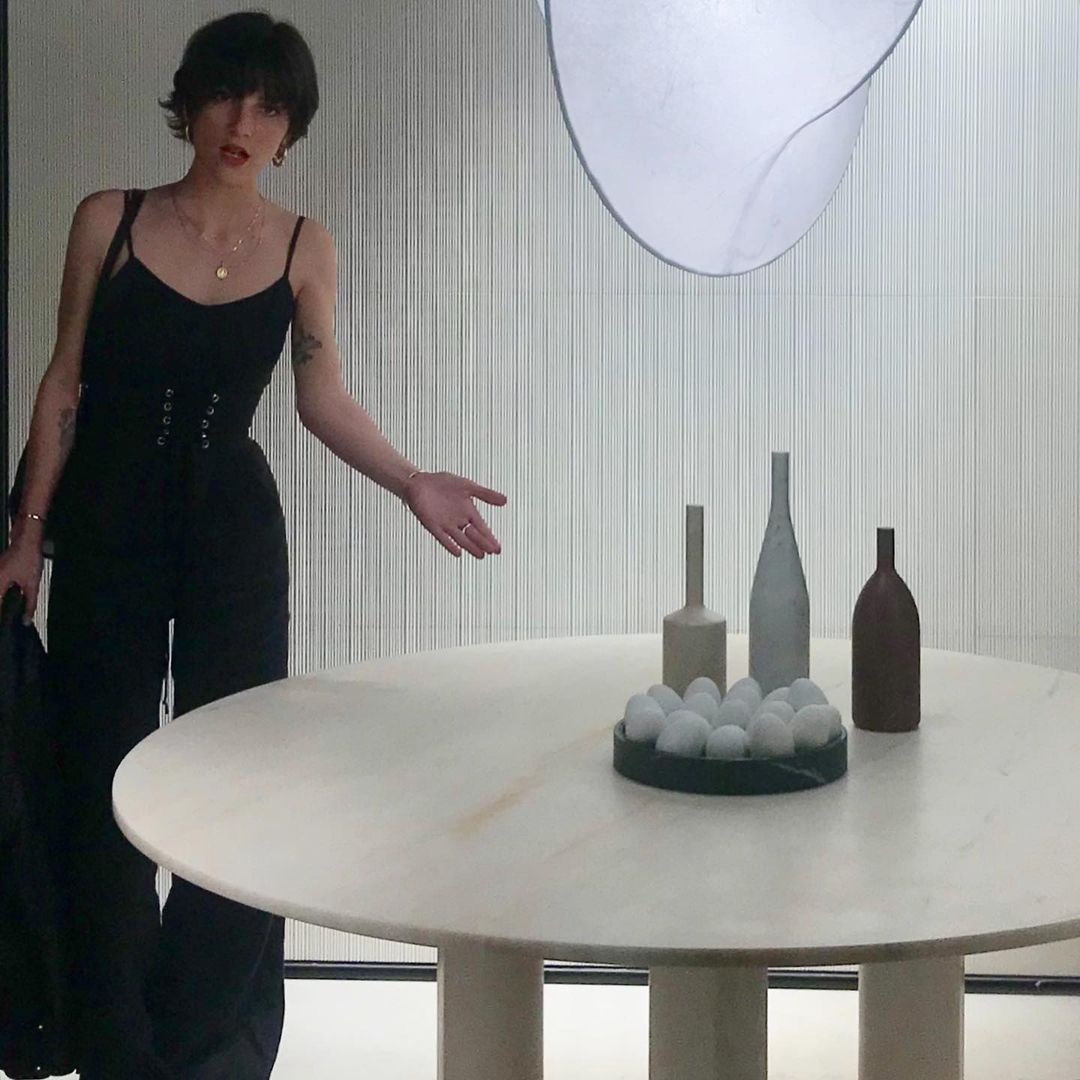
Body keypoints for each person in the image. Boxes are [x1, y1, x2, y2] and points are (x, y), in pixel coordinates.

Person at [0, 10, 506, 1079]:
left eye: (270, 107)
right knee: (100, 773)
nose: (243, 123)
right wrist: (27, 537)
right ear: (189, 102)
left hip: (232, 529)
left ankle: (209, 1044)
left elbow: (322, 397)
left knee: (235, 779)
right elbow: (63, 384)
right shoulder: (110, 220)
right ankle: (112, 1040)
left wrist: (413, 480)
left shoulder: (304, 244)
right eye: (226, 96)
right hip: (107, 523)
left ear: (291, 129)